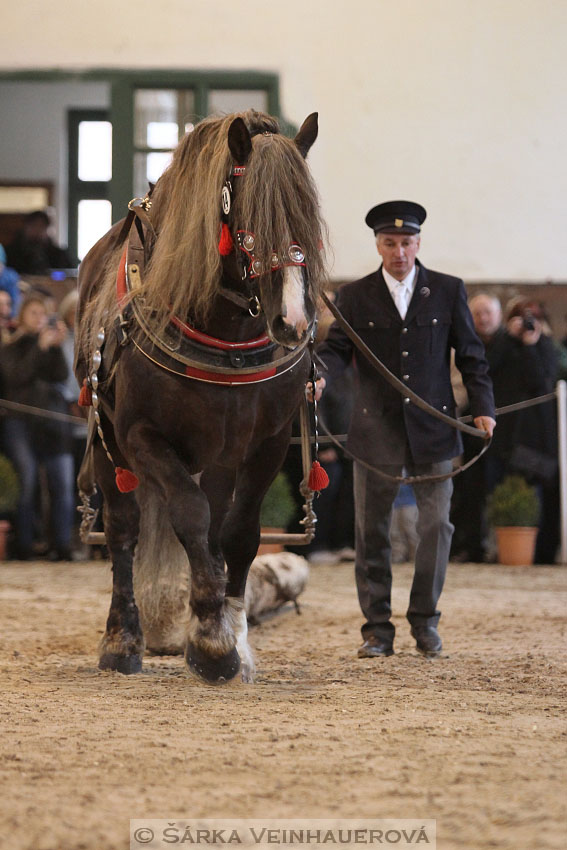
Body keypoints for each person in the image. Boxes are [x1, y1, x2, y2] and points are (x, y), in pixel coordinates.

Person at [314, 200, 495, 659]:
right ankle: (377, 629)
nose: (399, 251)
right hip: (374, 431)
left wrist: (483, 408)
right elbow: (336, 350)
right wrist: (319, 376)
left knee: (436, 526)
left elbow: (471, 356)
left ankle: (424, 620)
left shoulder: (448, 290)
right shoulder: (354, 296)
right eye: (390, 243)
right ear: (378, 244)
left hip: (434, 427)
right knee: (370, 530)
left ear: (418, 243)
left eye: (407, 242)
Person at [0, 294, 75, 560]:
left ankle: (62, 546)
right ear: (22, 317)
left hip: (53, 424)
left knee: (62, 483)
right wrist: (40, 348)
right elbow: (17, 377)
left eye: (42, 314)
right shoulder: (12, 346)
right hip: (19, 423)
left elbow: (62, 376)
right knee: (27, 480)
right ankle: (25, 545)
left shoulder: (51, 346)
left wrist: (55, 347)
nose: (39, 319)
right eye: (33, 313)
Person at [5, 210, 76, 276]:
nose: (37, 230)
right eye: (33, 225)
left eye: (41, 226)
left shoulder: (59, 255)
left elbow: (69, 275)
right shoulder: (10, 253)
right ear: (25, 227)